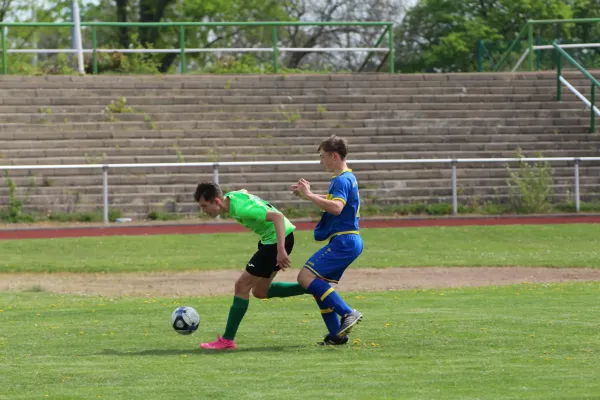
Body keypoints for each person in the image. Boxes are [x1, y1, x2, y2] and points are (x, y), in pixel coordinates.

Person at [194, 183, 307, 350]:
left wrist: (281, 250)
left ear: (217, 201)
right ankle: (314, 287)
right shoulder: (232, 197)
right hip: (276, 238)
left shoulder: (242, 210)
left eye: (205, 206)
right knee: (261, 291)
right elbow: (244, 191)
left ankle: (227, 340)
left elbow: (278, 217)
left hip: (275, 241)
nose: (204, 211)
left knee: (242, 285)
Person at [291, 135, 364, 346]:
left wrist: (310, 195)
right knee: (318, 286)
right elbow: (335, 201)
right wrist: (308, 195)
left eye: (323, 157)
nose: (321, 161)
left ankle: (348, 312)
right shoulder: (347, 178)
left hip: (344, 240)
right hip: (347, 240)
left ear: (334, 156)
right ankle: (336, 334)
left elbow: (337, 207)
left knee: (305, 278)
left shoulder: (341, 179)